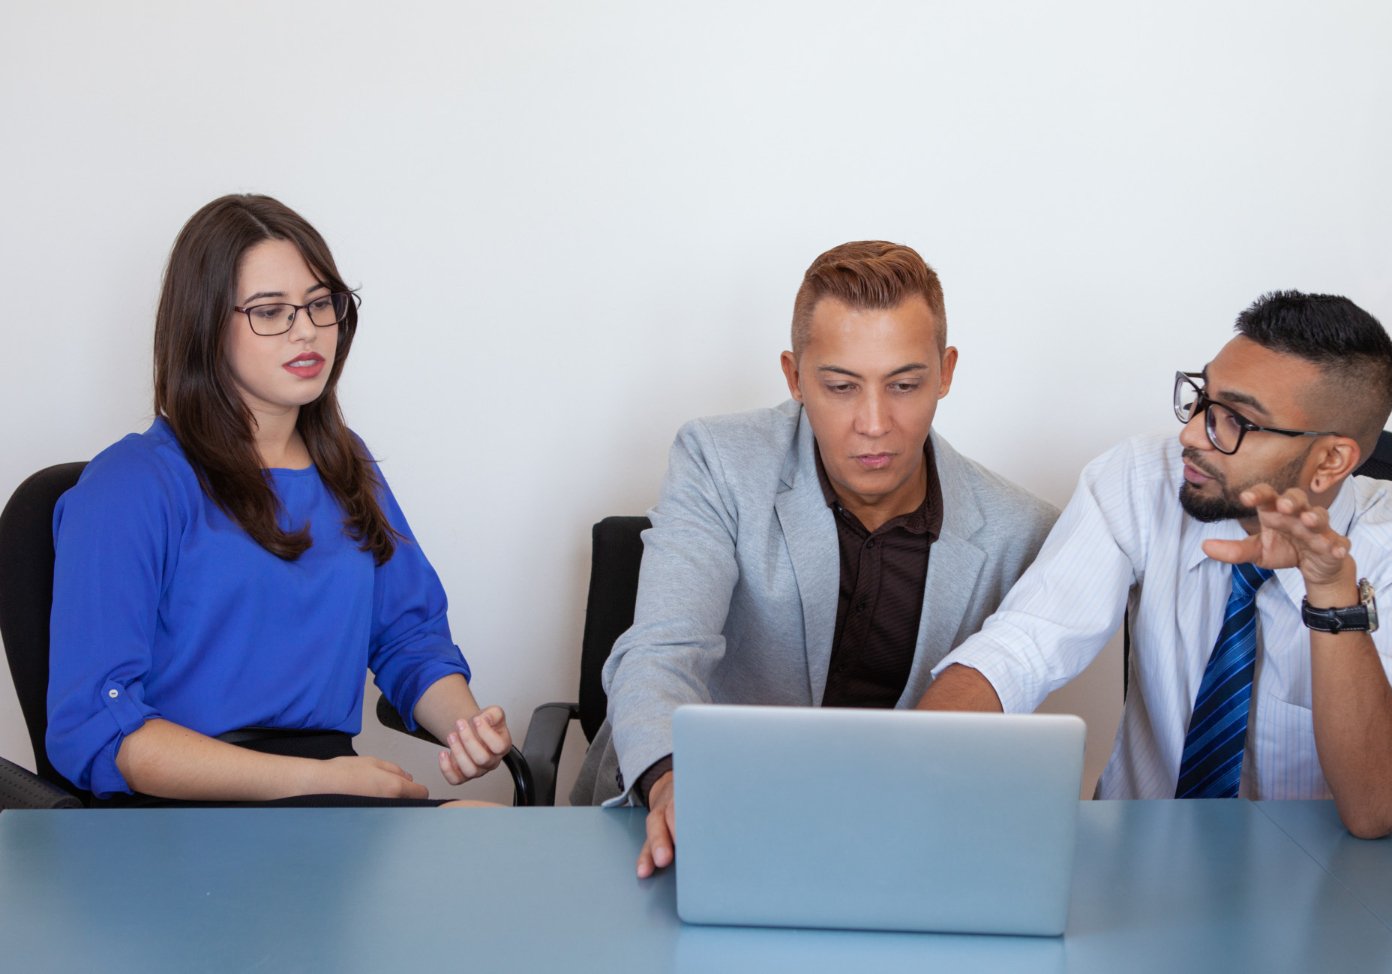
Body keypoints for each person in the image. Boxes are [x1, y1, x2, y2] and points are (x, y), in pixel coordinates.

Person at [572, 240, 1059, 874]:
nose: (875, 423)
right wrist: (670, 780)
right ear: (794, 376)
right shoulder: (719, 462)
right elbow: (661, 652)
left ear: (946, 371)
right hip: (696, 820)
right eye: (841, 386)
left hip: (893, 847)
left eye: (905, 384)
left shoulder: (1022, 531)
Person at [920, 291, 1392, 838]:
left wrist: (1332, 597)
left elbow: (1375, 809)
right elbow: (1023, 648)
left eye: (1236, 420)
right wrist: (907, 766)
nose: (1190, 434)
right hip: (1137, 863)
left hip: (1320, 887)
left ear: (1330, 460)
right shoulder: (1139, 479)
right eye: (1203, 399)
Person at [47, 194, 511, 806]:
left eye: (320, 304)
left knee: (495, 836)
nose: (308, 330)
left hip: (326, 800)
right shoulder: (130, 485)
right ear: (205, 325)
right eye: (270, 311)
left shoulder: (347, 464)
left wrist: (465, 726)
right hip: (184, 812)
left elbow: (408, 636)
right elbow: (101, 730)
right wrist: (320, 781)